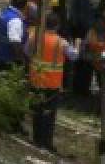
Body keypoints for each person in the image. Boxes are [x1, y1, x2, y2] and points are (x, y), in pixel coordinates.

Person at [26, 11, 80, 151]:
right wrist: (78, 45)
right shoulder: (61, 42)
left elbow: (27, 52)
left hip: (36, 80)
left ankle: (37, 140)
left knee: (37, 110)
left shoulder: (35, 37)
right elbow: (74, 57)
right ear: (57, 26)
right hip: (52, 83)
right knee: (49, 113)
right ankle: (46, 142)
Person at [68, 0, 97, 95]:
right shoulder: (80, 0)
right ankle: (81, 88)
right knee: (83, 62)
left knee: (81, 62)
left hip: (80, 34)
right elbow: (81, 20)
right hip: (82, 34)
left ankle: (81, 88)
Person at [0, 0, 28, 71]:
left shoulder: (4, 13)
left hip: (0, 55)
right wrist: (21, 59)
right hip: (9, 59)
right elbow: (15, 42)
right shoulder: (15, 20)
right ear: (24, 6)